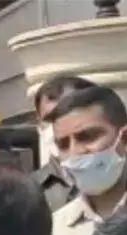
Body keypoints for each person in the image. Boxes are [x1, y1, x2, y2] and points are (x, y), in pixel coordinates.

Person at [47, 86, 127, 235]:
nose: (75, 151)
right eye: (64, 144)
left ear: (125, 139)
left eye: (87, 137)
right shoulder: (51, 233)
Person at [32, 75, 96, 210]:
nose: (58, 128)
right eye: (49, 120)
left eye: (66, 115)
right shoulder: (29, 191)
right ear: (39, 126)